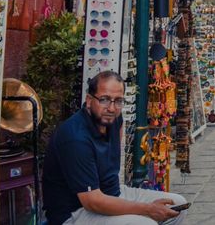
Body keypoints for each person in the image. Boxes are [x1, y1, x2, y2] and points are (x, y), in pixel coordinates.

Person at [43, 71, 187, 225]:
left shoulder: (114, 120)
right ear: (89, 100)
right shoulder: (75, 138)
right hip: (74, 212)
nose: (111, 108)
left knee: (177, 205)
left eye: (118, 101)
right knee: (145, 223)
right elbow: (93, 202)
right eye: (104, 100)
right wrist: (147, 209)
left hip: (112, 194)